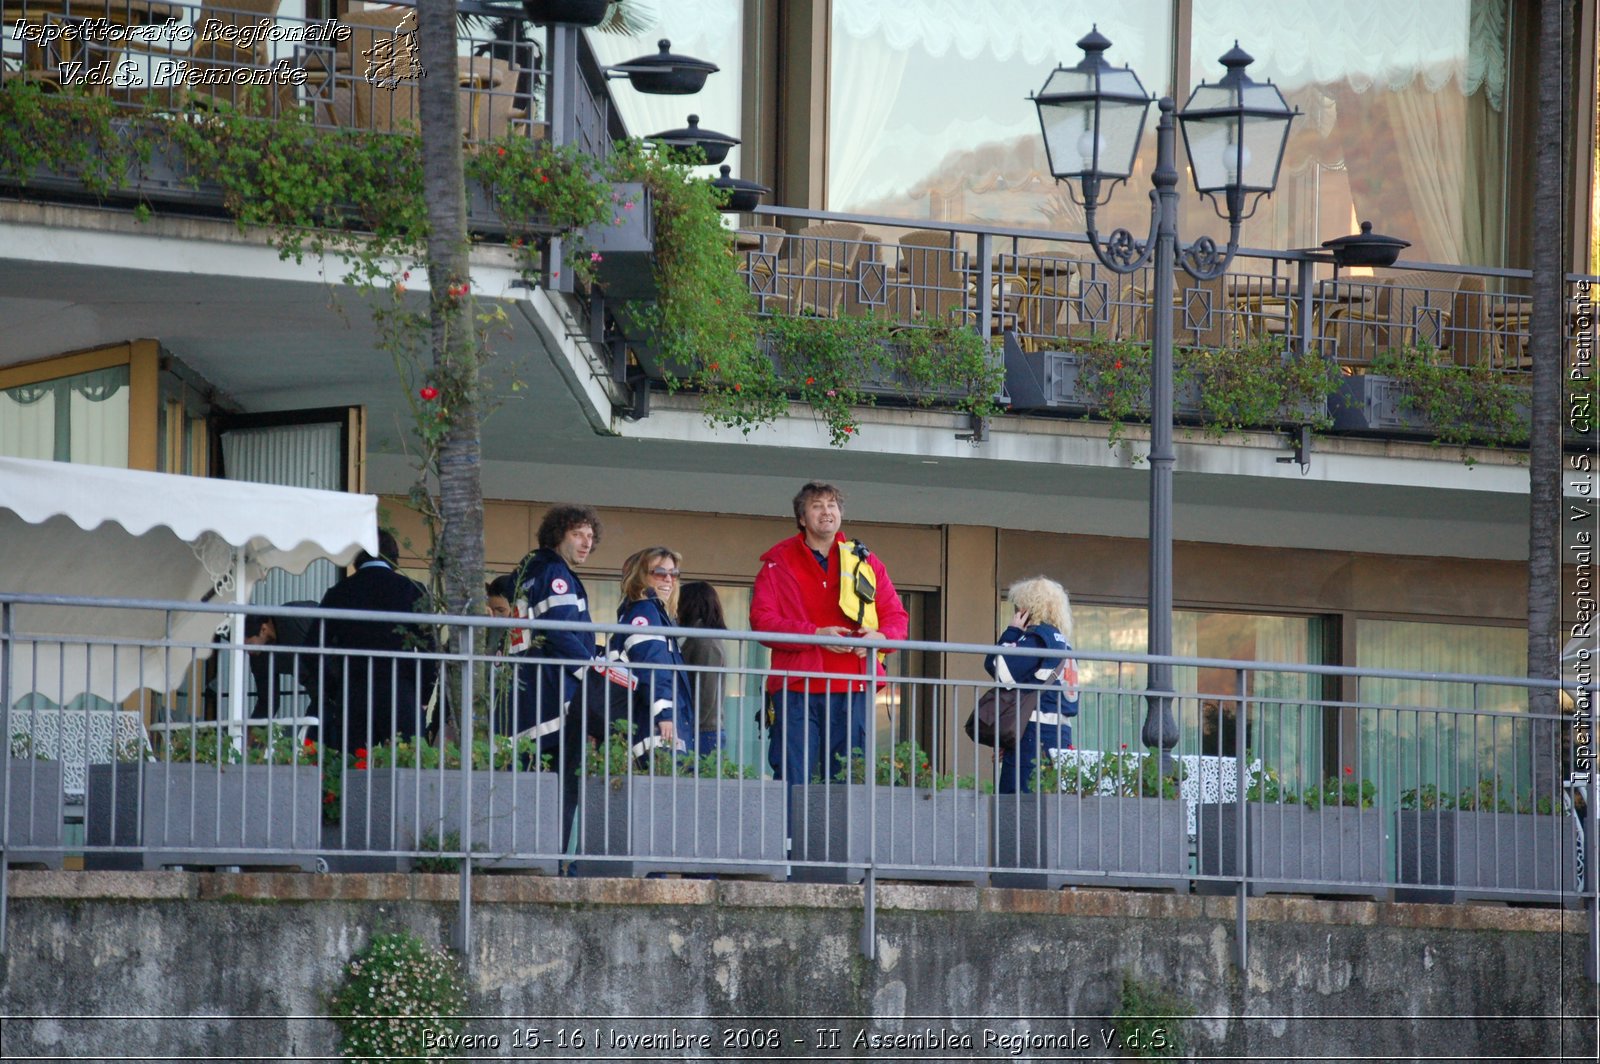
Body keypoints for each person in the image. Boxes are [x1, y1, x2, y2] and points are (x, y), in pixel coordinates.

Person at [750, 481, 908, 788]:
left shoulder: (865, 560)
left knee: (848, 776)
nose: (827, 512)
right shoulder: (777, 562)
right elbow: (762, 621)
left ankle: (839, 839)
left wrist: (882, 638)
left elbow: (897, 617)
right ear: (802, 518)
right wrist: (815, 634)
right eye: (817, 506)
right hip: (797, 685)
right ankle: (790, 838)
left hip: (854, 684)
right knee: (794, 774)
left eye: (832, 505)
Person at [315, 531, 438, 754]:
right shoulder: (415, 591)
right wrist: (422, 695)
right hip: (402, 691)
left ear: (356, 557)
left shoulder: (338, 593)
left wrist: (334, 689)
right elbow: (430, 651)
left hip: (354, 690)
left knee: (352, 768)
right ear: (394, 557)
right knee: (408, 767)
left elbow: (313, 648)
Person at [509, 505, 602, 748]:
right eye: (577, 534)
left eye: (590, 536)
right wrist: (591, 673)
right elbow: (559, 632)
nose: (586, 543)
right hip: (552, 689)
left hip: (527, 686)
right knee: (562, 776)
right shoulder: (555, 572)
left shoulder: (529, 569)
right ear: (557, 535)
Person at [984, 576, 1079, 794]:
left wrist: (1012, 632)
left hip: (1033, 735)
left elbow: (997, 667)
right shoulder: (1065, 645)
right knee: (1050, 804)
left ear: (1027, 609)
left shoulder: (1038, 639)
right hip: (1061, 735)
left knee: (1014, 805)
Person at [607, 548, 693, 759]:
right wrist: (665, 715)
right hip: (654, 727)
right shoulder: (645, 612)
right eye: (659, 572)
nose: (668, 579)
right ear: (640, 576)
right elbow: (653, 667)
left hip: (652, 724)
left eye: (673, 574)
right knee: (664, 787)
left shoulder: (650, 613)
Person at [678, 581, 729, 756]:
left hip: (703, 732)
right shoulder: (700, 638)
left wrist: (690, 725)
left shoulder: (705, 642)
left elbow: (706, 692)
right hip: (703, 730)